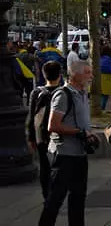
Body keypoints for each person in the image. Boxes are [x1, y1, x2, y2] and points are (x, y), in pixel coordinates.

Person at [30, 60, 100, 226]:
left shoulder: (82, 94)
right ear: (75, 74)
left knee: (79, 193)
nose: (91, 76)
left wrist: (88, 133)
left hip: (79, 153)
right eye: (87, 72)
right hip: (64, 154)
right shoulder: (63, 95)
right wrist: (78, 132)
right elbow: (53, 125)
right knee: (56, 196)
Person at [25, 61, 63, 200]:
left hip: (41, 135)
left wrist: (30, 138)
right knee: (59, 166)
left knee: (44, 166)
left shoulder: (36, 93)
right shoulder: (64, 92)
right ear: (60, 75)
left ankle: (46, 195)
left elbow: (31, 116)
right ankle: (56, 193)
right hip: (59, 134)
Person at [99, 45, 111, 110]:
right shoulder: (109, 59)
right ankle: (102, 108)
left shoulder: (100, 58)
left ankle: (101, 108)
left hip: (99, 79)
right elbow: (110, 70)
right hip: (106, 80)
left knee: (102, 96)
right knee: (104, 97)